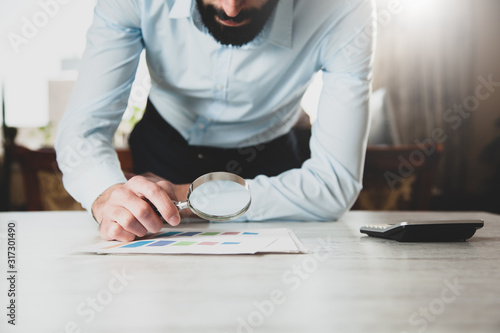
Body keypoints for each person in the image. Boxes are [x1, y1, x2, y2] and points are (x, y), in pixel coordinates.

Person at [55, 0, 376, 242]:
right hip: (163, 152)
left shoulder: (345, 8)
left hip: (272, 164)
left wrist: (185, 196)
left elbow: (334, 183)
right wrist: (105, 194)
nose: (231, 9)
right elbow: (85, 129)